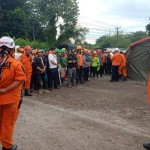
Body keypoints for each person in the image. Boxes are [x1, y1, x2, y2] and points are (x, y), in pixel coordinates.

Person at [0, 36, 26, 150]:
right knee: (7, 123)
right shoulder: (15, 63)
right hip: (10, 99)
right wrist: (5, 90)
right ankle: (7, 145)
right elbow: (20, 79)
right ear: (12, 48)